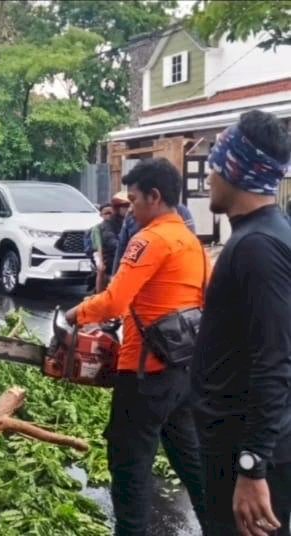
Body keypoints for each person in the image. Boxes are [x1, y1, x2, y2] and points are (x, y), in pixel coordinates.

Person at [65, 158, 208, 535]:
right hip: (182, 371)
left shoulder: (149, 239)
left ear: (155, 197)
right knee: (191, 462)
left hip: (144, 374)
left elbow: (113, 301)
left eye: (134, 199)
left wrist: (74, 314)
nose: (130, 208)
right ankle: (222, 526)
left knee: (129, 466)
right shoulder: (191, 242)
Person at [192, 110, 291, 536]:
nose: (209, 175)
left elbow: (274, 360)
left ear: (237, 168)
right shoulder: (263, 234)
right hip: (238, 446)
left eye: (216, 163)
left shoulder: (258, 248)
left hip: (245, 455)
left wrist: (252, 466)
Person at [112, 202, 195, 275]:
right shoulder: (132, 214)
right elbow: (121, 248)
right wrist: (115, 276)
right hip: (139, 274)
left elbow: (190, 244)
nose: (132, 206)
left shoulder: (181, 211)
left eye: (134, 198)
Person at [94, 193, 129, 292]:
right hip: (112, 257)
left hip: (128, 255)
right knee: (102, 270)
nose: (128, 209)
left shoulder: (131, 221)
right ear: (118, 208)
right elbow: (111, 241)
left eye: (129, 206)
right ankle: (99, 297)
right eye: (125, 206)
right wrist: (125, 248)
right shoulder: (108, 224)